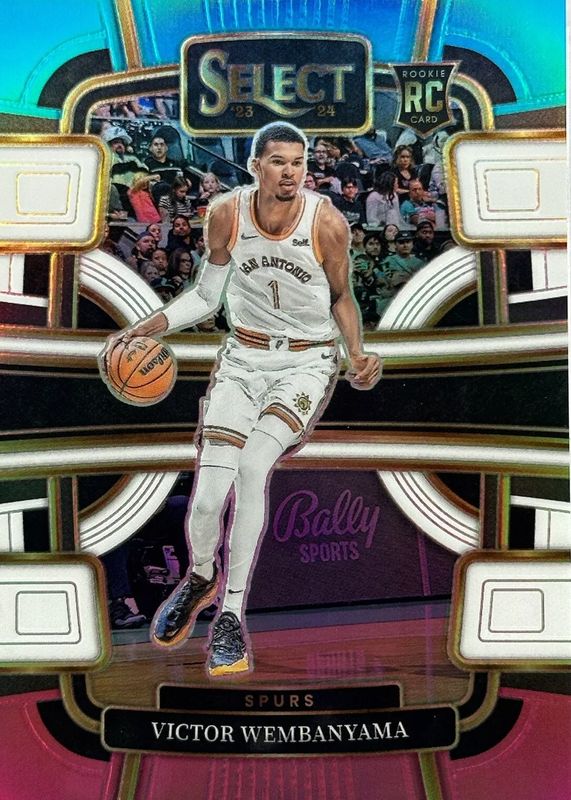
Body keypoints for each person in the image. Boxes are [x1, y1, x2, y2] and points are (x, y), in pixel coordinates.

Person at [100, 122, 380, 677]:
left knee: (253, 467)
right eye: (279, 161)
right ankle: (200, 576)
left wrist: (356, 352)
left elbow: (341, 296)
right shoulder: (227, 214)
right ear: (256, 166)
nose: (291, 172)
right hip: (243, 359)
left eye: (298, 162)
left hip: (305, 361)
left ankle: (230, 616)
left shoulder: (325, 222)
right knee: (206, 499)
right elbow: (206, 296)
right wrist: (142, 329)